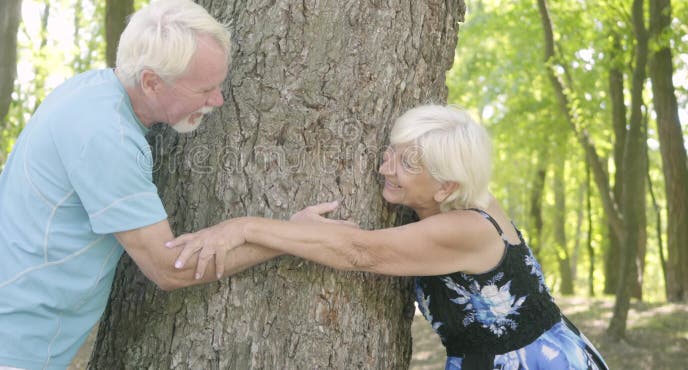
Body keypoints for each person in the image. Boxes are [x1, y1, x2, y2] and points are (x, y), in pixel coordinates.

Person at [0, 0, 282, 370]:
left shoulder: (92, 91)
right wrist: (281, 238)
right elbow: (170, 268)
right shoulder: (106, 137)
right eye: (204, 89)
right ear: (151, 82)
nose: (219, 99)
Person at [167, 104, 608, 370]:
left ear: (446, 187)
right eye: (391, 153)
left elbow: (361, 252)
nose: (385, 168)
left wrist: (241, 227)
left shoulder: (465, 227)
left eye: (406, 164)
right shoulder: (462, 200)